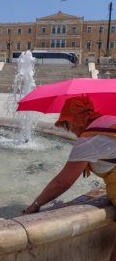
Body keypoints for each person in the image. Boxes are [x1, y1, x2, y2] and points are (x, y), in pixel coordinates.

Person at [23, 96, 116, 261]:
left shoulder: (88, 141)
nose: (69, 130)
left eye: (67, 124)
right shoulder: (108, 121)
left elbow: (61, 182)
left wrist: (34, 206)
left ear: (76, 121)